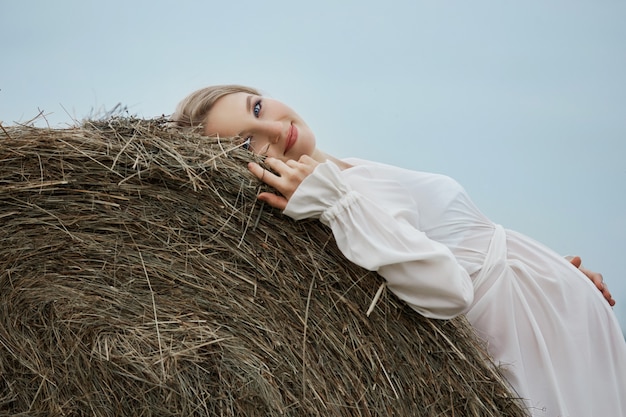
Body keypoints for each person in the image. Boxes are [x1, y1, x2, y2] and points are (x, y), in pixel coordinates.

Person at [172, 85, 626, 416]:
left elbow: (459, 242)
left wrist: (545, 271)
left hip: (556, 318)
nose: (274, 127)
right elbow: (450, 290)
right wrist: (334, 203)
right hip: (529, 343)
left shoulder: (352, 171)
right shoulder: (339, 201)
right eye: (250, 142)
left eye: (258, 106)